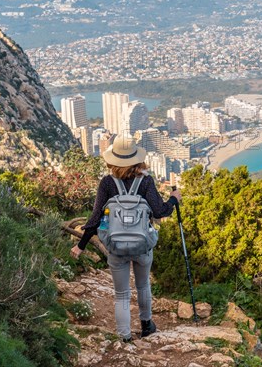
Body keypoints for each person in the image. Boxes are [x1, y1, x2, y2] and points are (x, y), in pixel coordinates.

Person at [71, 135, 181, 342]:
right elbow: (159, 211)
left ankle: (125, 337)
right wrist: (174, 200)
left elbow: (94, 218)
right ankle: (147, 325)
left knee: (121, 293)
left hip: (116, 247)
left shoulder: (106, 183)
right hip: (142, 247)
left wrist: (81, 245)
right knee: (143, 286)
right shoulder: (146, 181)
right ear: (137, 159)